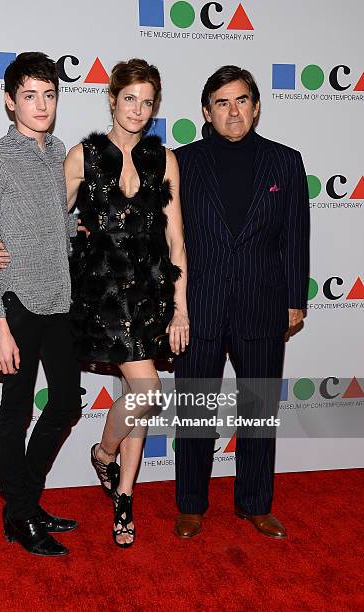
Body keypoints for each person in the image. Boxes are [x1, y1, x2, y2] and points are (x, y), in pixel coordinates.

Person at [0, 58, 189, 547]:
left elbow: (176, 240)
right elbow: (46, 219)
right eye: (130, 99)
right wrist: (6, 244)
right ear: (112, 99)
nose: (138, 110)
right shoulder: (81, 154)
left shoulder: (164, 159)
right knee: (148, 393)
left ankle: (123, 498)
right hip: (101, 297)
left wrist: (181, 307)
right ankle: (104, 455)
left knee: (138, 401)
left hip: (150, 295)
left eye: (148, 103)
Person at [173, 65, 310, 540]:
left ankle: (255, 503)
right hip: (199, 307)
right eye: (222, 102)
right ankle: (191, 504)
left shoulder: (286, 161)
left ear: (256, 104)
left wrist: (296, 299)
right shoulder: (181, 162)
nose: (234, 111)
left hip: (262, 304)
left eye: (241, 100)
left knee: (258, 411)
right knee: (194, 411)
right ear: (206, 113)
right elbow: (162, 236)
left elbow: (295, 236)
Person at [0, 52, 81, 557]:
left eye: (50, 94)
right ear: (10, 100)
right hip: (16, 301)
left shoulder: (59, 151)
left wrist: (74, 233)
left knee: (65, 403)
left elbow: (57, 224)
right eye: (31, 95)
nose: (41, 105)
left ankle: (23, 502)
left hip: (60, 299)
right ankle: (19, 512)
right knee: (15, 409)